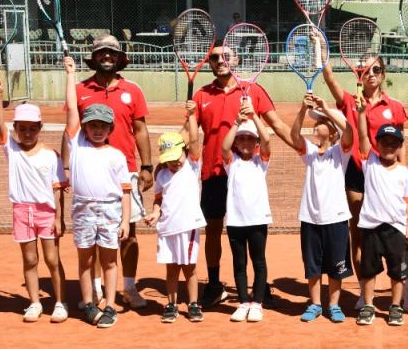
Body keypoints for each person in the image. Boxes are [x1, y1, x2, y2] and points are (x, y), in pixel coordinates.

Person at [194, 44, 295, 310]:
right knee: (213, 230)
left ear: (236, 59)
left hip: (245, 174)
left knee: (254, 229)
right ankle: (214, 284)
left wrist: (302, 147)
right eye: (214, 57)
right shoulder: (202, 94)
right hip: (214, 172)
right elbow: (190, 134)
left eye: (226, 56)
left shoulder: (254, 91)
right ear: (210, 64)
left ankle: (259, 286)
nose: (220, 60)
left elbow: (276, 125)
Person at [321, 53, 408, 311]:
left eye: (376, 70)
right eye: (365, 70)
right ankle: (366, 293)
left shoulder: (393, 106)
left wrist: (402, 176)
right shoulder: (351, 102)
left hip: (389, 174)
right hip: (357, 172)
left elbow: (402, 144)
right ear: (358, 74)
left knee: (403, 232)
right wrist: (322, 55)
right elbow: (329, 79)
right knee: (360, 234)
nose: (370, 74)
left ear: (383, 73)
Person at [70, 35, 152, 311]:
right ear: (93, 57)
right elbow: (69, 130)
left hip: (125, 171)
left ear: (119, 58)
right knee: (92, 238)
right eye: (102, 52)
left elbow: (140, 130)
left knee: (128, 233)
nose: (107, 56)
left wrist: (146, 166)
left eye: (112, 53)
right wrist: (68, 168)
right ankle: (93, 291)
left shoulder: (133, 90)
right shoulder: (80, 90)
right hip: (90, 175)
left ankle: (128, 287)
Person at [63, 55, 131, 328]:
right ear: (84, 127)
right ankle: (89, 304)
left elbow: (125, 191)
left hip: (110, 209)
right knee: (85, 258)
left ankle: (111, 305)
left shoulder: (116, 156)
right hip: (83, 209)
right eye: (92, 125)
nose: (97, 130)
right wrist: (70, 75)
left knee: (109, 260)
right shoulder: (77, 144)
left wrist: (125, 220)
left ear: (110, 129)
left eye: (103, 126)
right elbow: (71, 108)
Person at [0, 80, 66, 323]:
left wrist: (58, 218)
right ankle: (34, 303)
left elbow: (58, 190)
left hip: (46, 212)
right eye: (22, 128)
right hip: (22, 211)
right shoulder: (11, 150)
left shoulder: (50, 156)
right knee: (30, 259)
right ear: (16, 129)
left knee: (52, 259)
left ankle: (60, 302)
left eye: (32, 128)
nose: (27, 133)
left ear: (40, 127)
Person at [289, 93, 354, 323]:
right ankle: (315, 304)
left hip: (336, 218)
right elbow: (294, 135)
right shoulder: (309, 152)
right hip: (310, 218)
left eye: (321, 122)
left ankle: (333, 305)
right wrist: (301, 110)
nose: (316, 125)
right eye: (315, 122)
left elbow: (349, 132)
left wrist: (327, 110)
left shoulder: (340, 151)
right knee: (313, 266)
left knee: (337, 266)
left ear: (333, 131)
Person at [143, 100, 205, 324]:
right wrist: (155, 213)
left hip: (187, 226)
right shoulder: (161, 175)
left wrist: (191, 115)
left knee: (189, 268)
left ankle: (194, 305)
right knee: (171, 270)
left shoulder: (192, 165)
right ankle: (171, 305)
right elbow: (159, 199)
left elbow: (195, 137)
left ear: (185, 152)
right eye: (168, 160)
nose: (174, 163)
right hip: (167, 228)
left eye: (177, 157)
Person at [354, 112, 408, 327]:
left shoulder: (404, 172)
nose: (389, 146)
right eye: (384, 142)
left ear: (400, 147)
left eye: (394, 143)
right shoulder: (369, 163)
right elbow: (362, 136)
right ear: (376, 144)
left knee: (397, 271)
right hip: (371, 227)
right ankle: (368, 306)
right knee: (368, 269)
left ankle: (396, 306)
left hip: (396, 228)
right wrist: (362, 113)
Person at [221, 102, 274, 322]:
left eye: (250, 139)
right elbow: (224, 147)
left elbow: (268, 140)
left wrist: (254, 117)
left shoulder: (261, 162)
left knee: (259, 262)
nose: (245, 142)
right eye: (241, 138)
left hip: (257, 220)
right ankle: (243, 302)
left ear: (256, 144)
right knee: (239, 263)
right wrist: (236, 123)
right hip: (235, 221)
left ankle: (257, 303)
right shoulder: (231, 162)